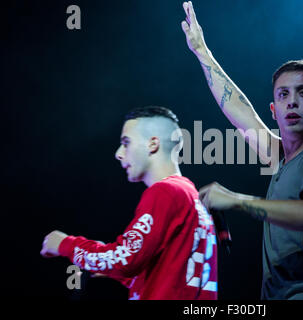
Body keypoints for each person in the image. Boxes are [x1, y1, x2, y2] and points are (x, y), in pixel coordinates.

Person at [181, 1, 303, 300]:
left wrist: (236, 200)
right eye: (284, 95)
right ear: (274, 110)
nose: (292, 102)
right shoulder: (281, 159)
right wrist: (202, 51)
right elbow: (238, 109)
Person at [40, 106, 218, 300]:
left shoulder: (165, 192)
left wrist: (64, 244)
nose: (118, 153)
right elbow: (173, 276)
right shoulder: (189, 194)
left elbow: (125, 260)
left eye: (126, 143)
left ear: (152, 144)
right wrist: (108, 266)